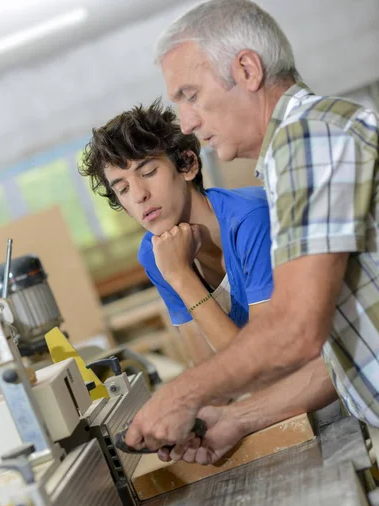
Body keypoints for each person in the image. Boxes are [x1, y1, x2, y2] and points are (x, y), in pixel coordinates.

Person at [124, 0, 379, 464]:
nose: (186, 123)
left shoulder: (308, 139)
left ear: (246, 70)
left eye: (191, 95)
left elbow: (296, 332)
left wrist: (183, 394)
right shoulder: (292, 153)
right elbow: (342, 352)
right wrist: (242, 418)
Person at [79, 100, 274, 367]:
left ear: (187, 165)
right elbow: (207, 366)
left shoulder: (251, 219)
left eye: (148, 172)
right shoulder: (155, 252)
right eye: (122, 189)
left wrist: (181, 275)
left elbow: (259, 362)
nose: (138, 195)